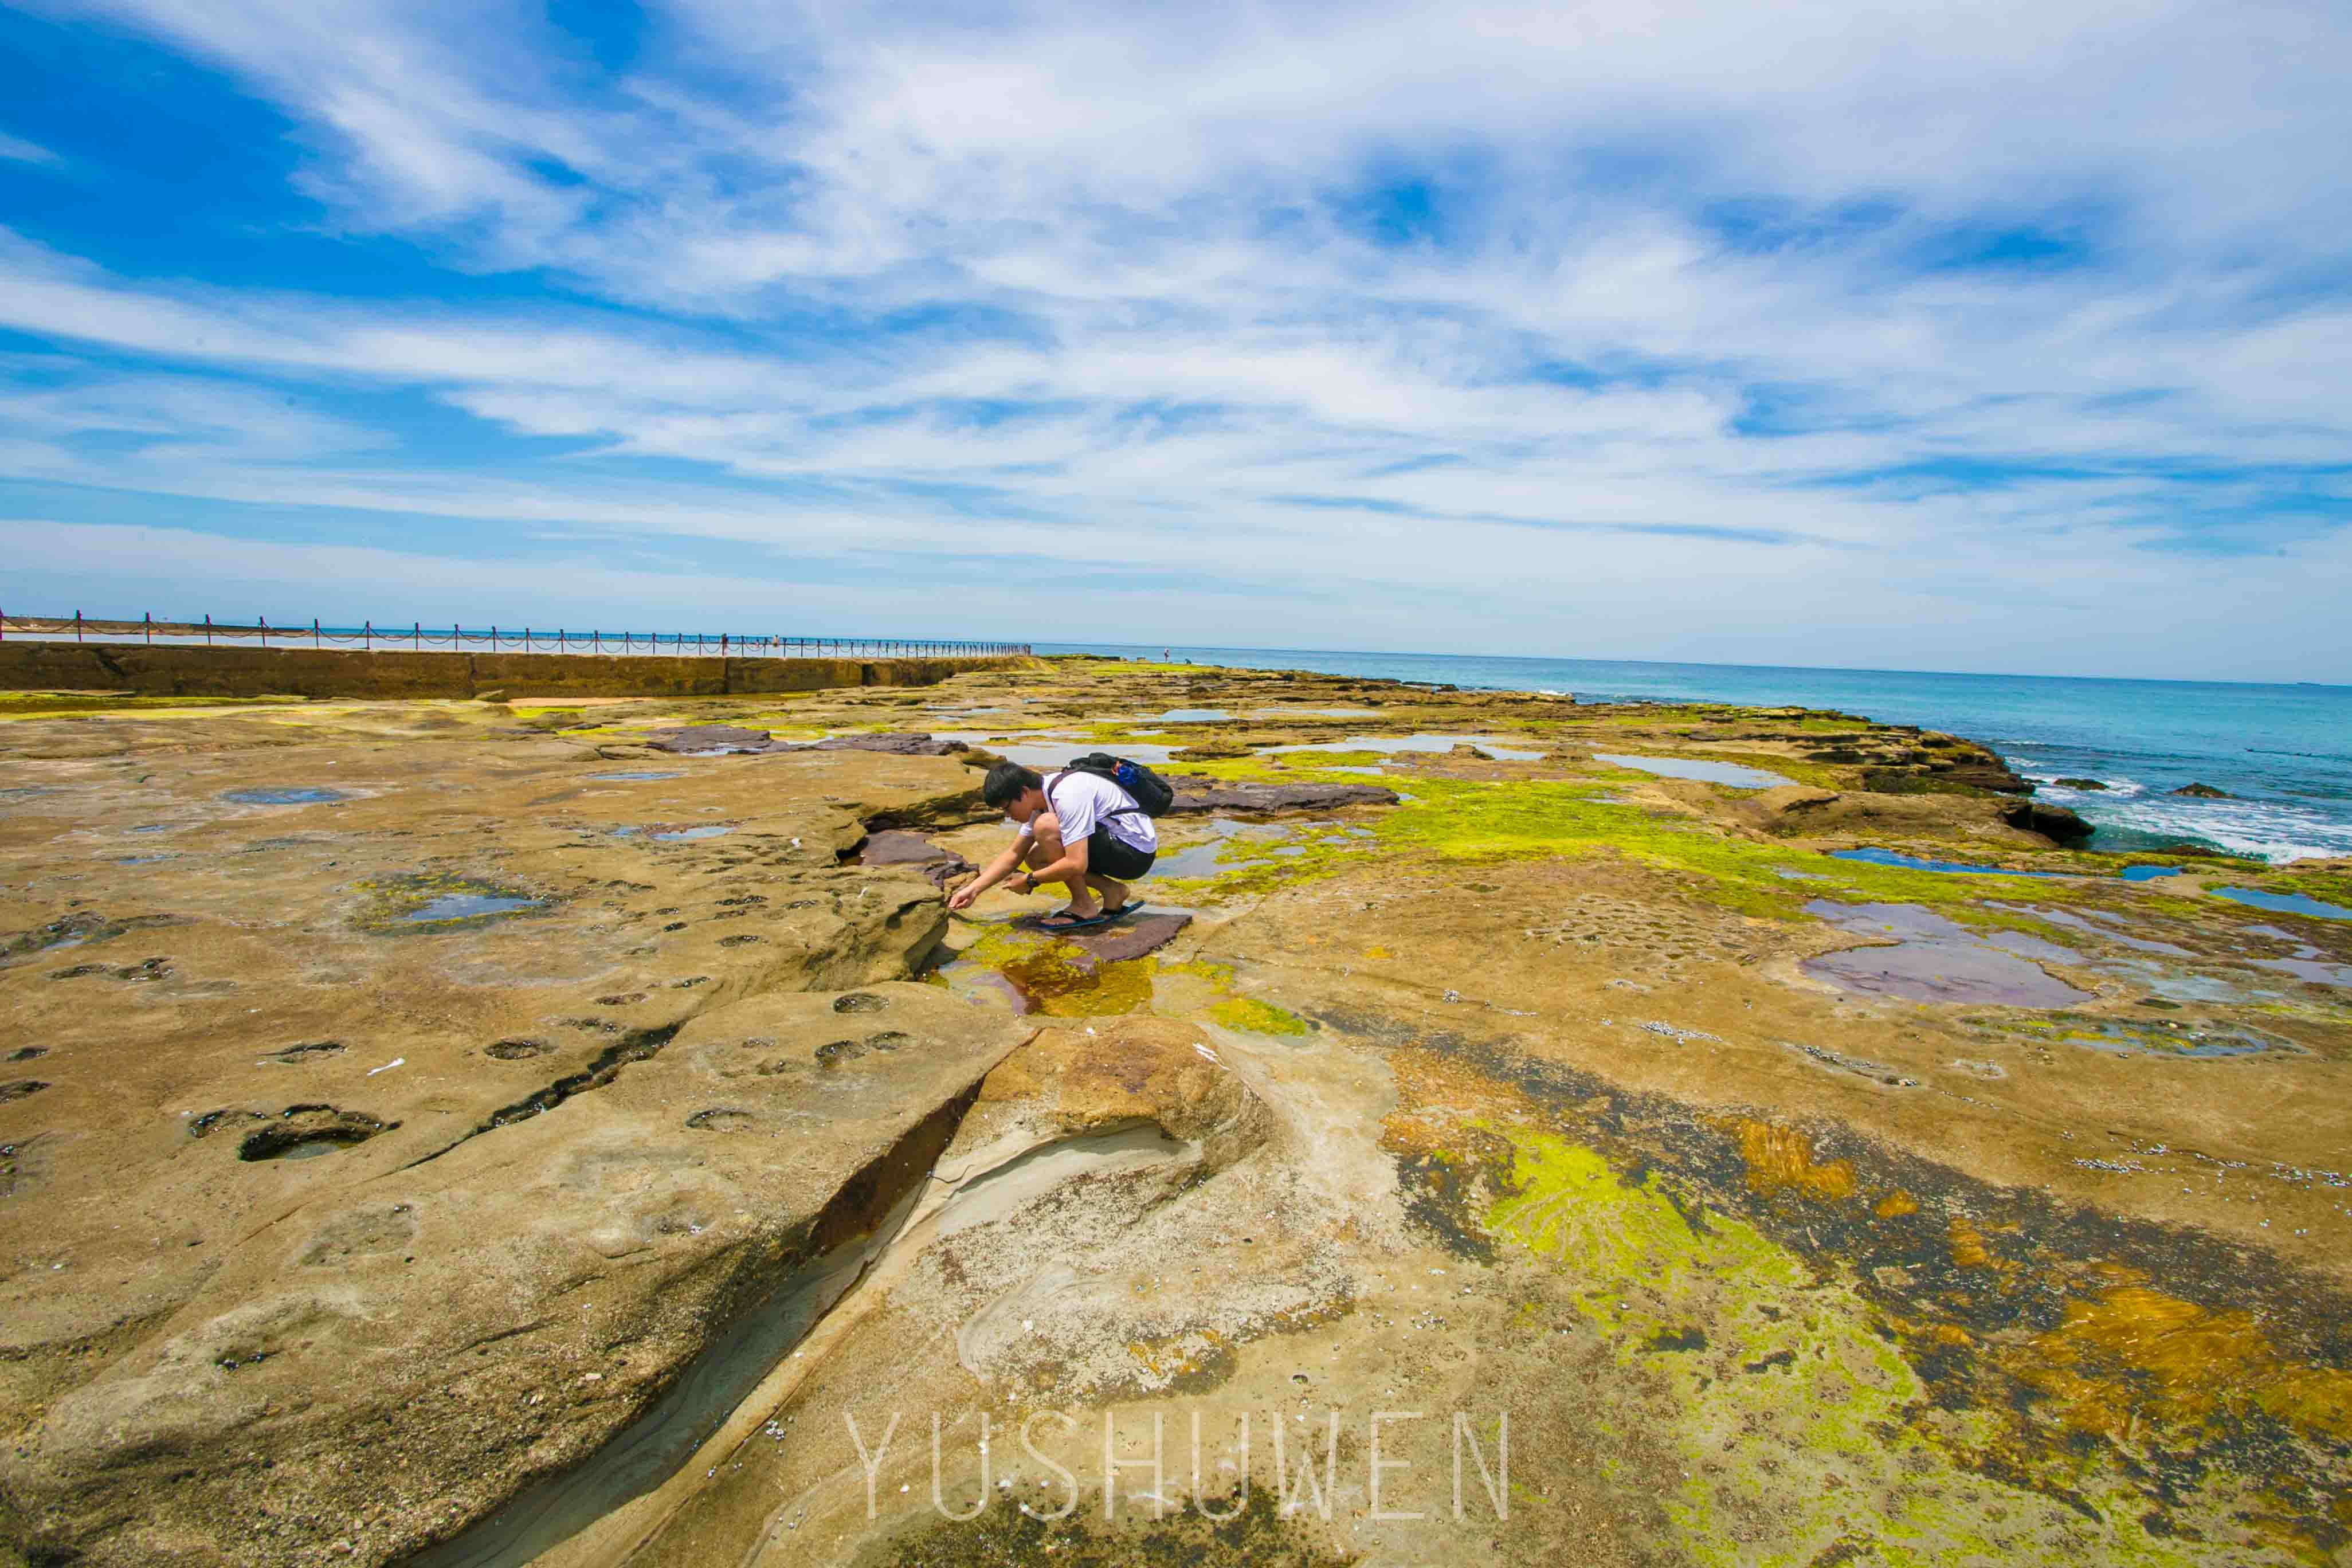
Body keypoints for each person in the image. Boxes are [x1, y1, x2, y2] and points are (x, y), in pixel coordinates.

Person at [947, 761, 1157, 928]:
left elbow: (1076, 864)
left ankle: (1083, 906)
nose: (1008, 816)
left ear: (1024, 792)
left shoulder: (1067, 794)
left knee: (1046, 827)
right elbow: (1013, 855)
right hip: (1119, 845)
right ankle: (1112, 892)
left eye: (1007, 808)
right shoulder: (1042, 800)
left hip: (1134, 852)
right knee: (1034, 856)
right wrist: (973, 890)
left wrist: (1030, 880)